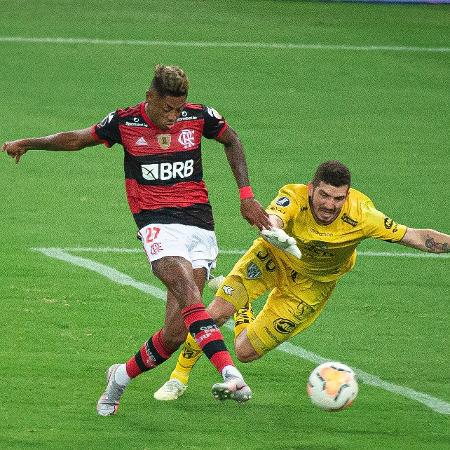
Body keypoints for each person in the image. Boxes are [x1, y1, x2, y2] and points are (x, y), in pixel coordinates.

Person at [2, 64, 272, 415]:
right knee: (189, 292)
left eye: (179, 109)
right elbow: (76, 139)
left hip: (199, 226)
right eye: (166, 109)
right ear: (150, 97)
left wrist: (246, 195)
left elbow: (232, 139)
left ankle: (119, 378)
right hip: (156, 224)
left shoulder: (199, 116)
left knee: (175, 333)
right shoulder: (124, 123)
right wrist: (30, 143)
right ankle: (230, 372)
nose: (174, 117)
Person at [153, 160, 450, 401]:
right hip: (272, 258)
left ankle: (244, 310)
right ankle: (179, 377)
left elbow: (415, 236)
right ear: (311, 189)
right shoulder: (294, 195)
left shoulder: (363, 215)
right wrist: (277, 233)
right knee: (215, 313)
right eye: (324, 195)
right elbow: (274, 217)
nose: (330, 205)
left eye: (338, 198)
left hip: (310, 287)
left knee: (244, 352)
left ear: (347, 196)